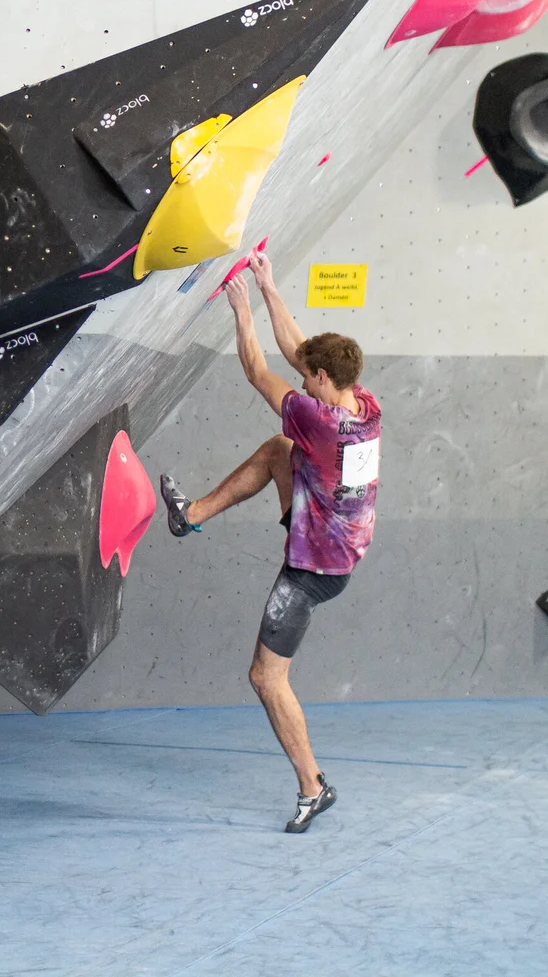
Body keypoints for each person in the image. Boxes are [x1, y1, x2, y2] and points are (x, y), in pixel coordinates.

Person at [156, 252, 380, 834]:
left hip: (315, 569)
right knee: (280, 451)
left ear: (323, 385)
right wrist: (267, 284)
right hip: (337, 536)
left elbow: (260, 370)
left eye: (310, 378)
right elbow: (302, 353)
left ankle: (312, 787)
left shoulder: (321, 422)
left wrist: (241, 309)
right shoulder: (363, 406)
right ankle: (191, 515)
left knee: (265, 677)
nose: (303, 378)